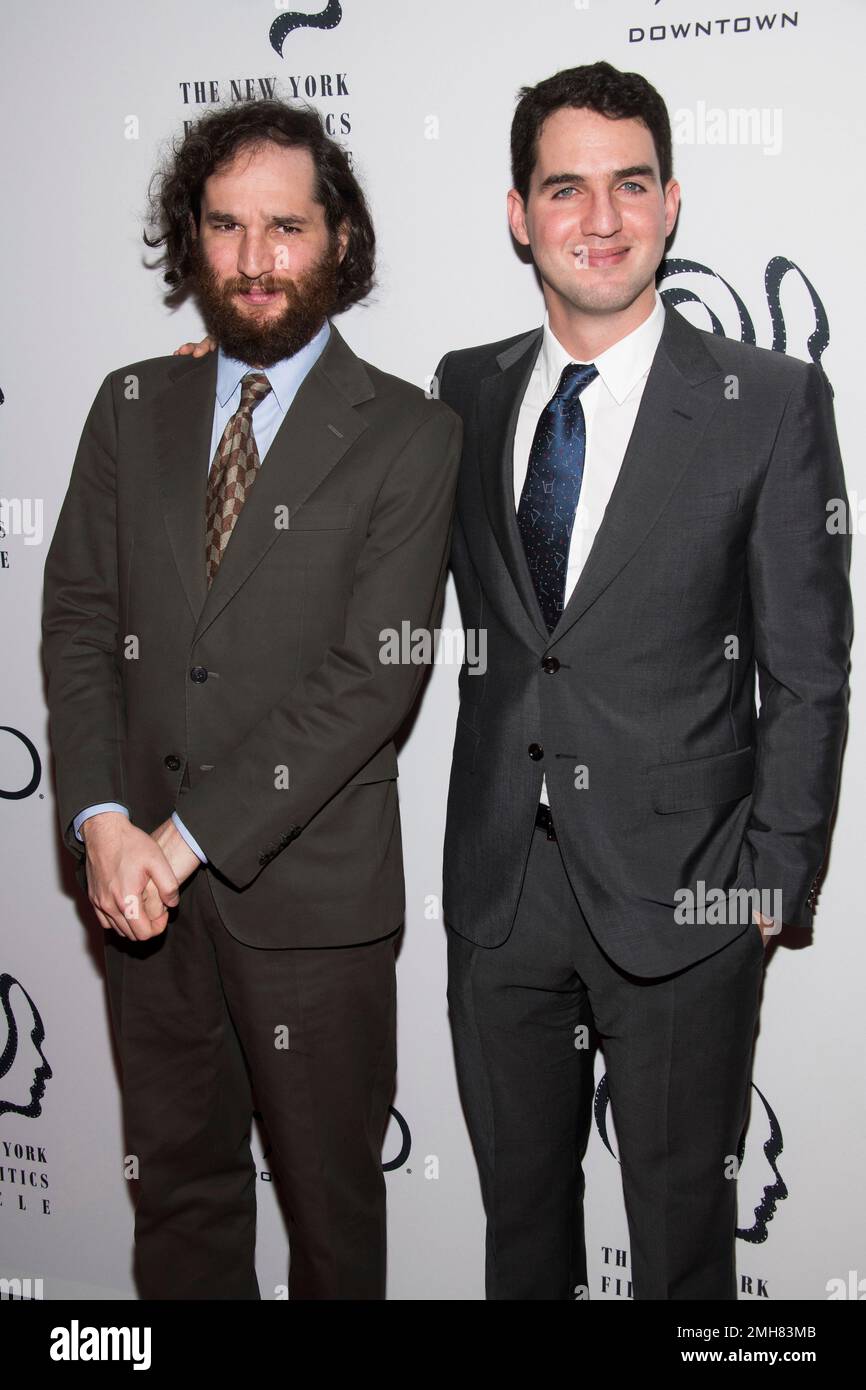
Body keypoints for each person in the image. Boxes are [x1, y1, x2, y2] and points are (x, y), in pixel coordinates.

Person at [435, 61, 851, 1299]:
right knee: (519, 1237)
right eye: (564, 188)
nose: (600, 219)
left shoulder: (764, 401)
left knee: (679, 1255)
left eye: (628, 185)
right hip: (499, 892)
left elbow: (806, 665)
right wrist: (226, 395)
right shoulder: (463, 390)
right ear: (519, 214)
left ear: (669, 204)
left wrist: (772, 881)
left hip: (689, 894)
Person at [41, 99, 462, 1300]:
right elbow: (80, 622)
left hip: (309, 909)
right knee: (179, 1203)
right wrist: (100, 821)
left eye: (284, 226)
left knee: (331, 1225)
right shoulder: (131, 405)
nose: (254, 258)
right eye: (225, 225)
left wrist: (179, 841)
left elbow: (372, 676)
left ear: (339, 239)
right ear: (193, 238)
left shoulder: (411, 433)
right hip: (140, 898)